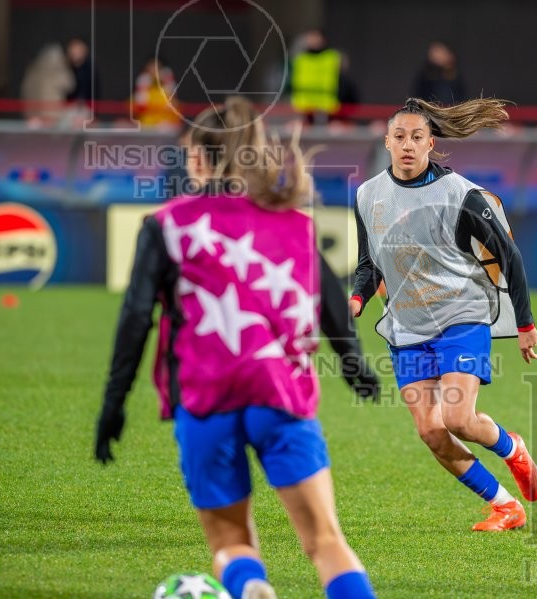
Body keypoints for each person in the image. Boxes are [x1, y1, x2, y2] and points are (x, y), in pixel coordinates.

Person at [94, 97, 375, 599]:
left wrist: (113, 405)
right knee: (325, 541)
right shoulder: (292, 221)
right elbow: (330, 298)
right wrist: (354, 366)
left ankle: (252, 590)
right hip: (278, 393)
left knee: (230, 540)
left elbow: (136, 318)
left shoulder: (167, 224)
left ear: (198, 157)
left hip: (205, 400)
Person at [349, 97, 537, 532]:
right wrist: (356, 299)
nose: (408, 145)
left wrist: (526, 324)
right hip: (407, 327)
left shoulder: (461, 195)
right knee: (432, 432)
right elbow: (369, 263)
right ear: (386, 142)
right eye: (399, 137)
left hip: (462, 314)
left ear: (431, 143)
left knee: (458, 418)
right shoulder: (367, 195)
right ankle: (504, 506)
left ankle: (512, 448)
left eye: (417, 137)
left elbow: (509, 256)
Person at [290, 29, 343, 121]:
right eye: (311, 37)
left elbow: (342, 81)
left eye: (316, 37)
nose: (313, 40)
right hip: (304, 105)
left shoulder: (332, 57)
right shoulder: (300, 59)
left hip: (326, 105)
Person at [413, 41, 467, 105]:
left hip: (453, 111)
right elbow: (418, 99)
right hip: (429, 111)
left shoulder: (456, 77)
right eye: (433, 52)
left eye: (439, 52)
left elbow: (462, 99)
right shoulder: (425, 77)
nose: (435, 56)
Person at [133, 56, 181, 128]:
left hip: (165, 122)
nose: (154, 70)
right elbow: (139, 105)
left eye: (157, 67)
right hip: (147, 123)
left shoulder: (168, 85)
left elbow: (173, 103)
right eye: (151, 67)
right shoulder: (143, 83)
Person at [65, 37, 99, 104]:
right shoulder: (66, 67)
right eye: (72, 48)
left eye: (77, 49)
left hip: (86, 107)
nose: (73, 52)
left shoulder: (90, 68)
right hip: (68, 107)